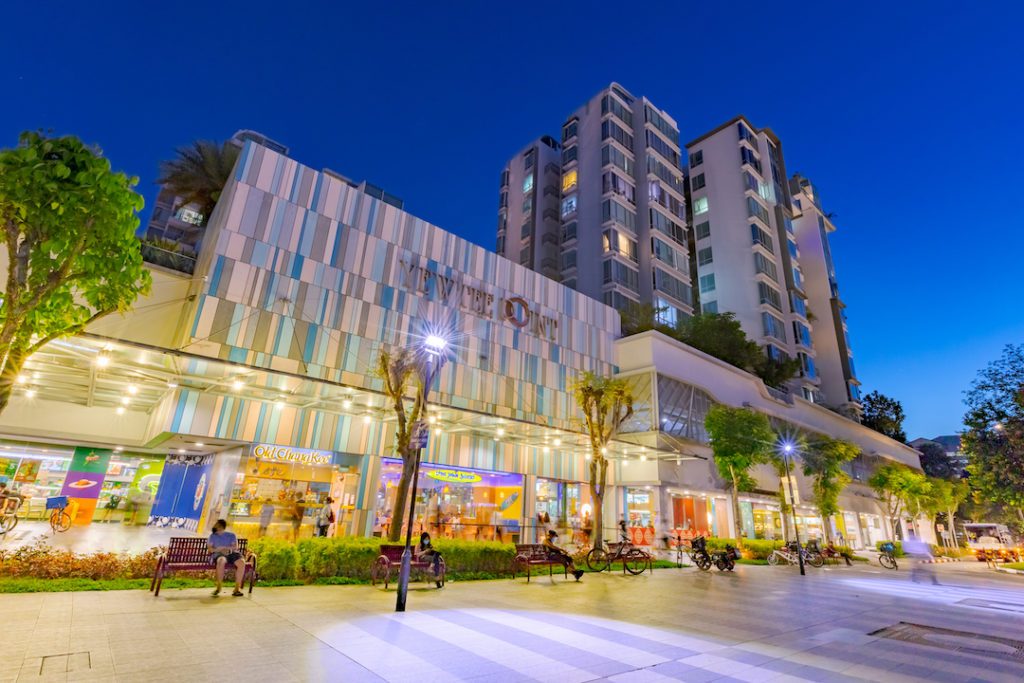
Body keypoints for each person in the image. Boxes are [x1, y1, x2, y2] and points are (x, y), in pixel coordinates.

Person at [208, 519, 246, 597]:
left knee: (241, 562)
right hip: (219, 554)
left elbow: (235, 547)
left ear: (222, 526)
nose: (215, 526)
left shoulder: (231, 535)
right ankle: (219, 586)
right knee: (221, 561)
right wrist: (219, 549)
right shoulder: (212, 536)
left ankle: (237, 588)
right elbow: (210, 549)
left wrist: (226, 548)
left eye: (217, 525)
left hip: (231, 553)